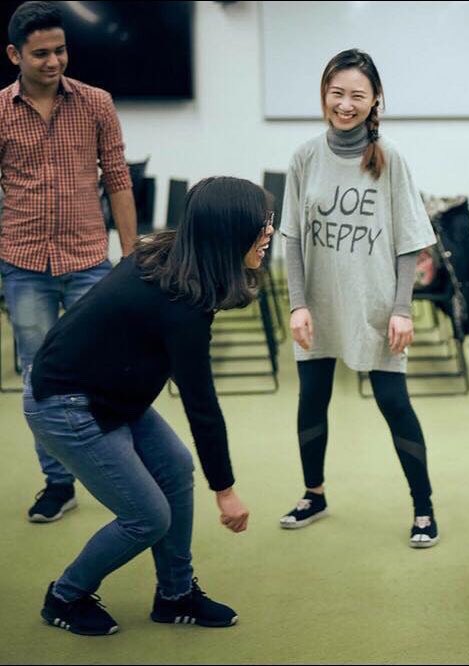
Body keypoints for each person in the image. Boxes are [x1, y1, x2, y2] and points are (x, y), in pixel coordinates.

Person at [23, 176, 266, 636]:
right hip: (65, 403)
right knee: (147, 517)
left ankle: (175, 596)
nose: (269, 231)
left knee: (174, 468)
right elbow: (201, 405)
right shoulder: (181, 302)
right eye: (260, 224)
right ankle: (65, 596)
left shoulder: (179, 260)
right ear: (227, 232)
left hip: (110, 394)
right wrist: (226, 490)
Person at [278, 49, 440, 548]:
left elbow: (410, 241)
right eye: (337, 93)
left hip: (374, 307)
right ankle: (314, 493)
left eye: (357, 96)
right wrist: (298, 303)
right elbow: (292, 238)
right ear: (324, 95)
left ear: (375, 102)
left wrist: (401, 309)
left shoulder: (391, 159)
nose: (345, 104)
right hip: (320, 307)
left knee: (394, 404)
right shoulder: (305, 157)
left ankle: (423, 508)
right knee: (312, 400)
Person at [1, 0, 137, 523]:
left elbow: (118, 179)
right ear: (15, 54)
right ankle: (57, 482)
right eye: (40, 54)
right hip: (24, 265)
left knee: (102, 371)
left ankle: (115, 471)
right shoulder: (0, 111)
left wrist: (130, 257)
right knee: (41, 379)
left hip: (88, 263)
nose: (54, 61)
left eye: (60, 50)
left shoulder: (96, 103)